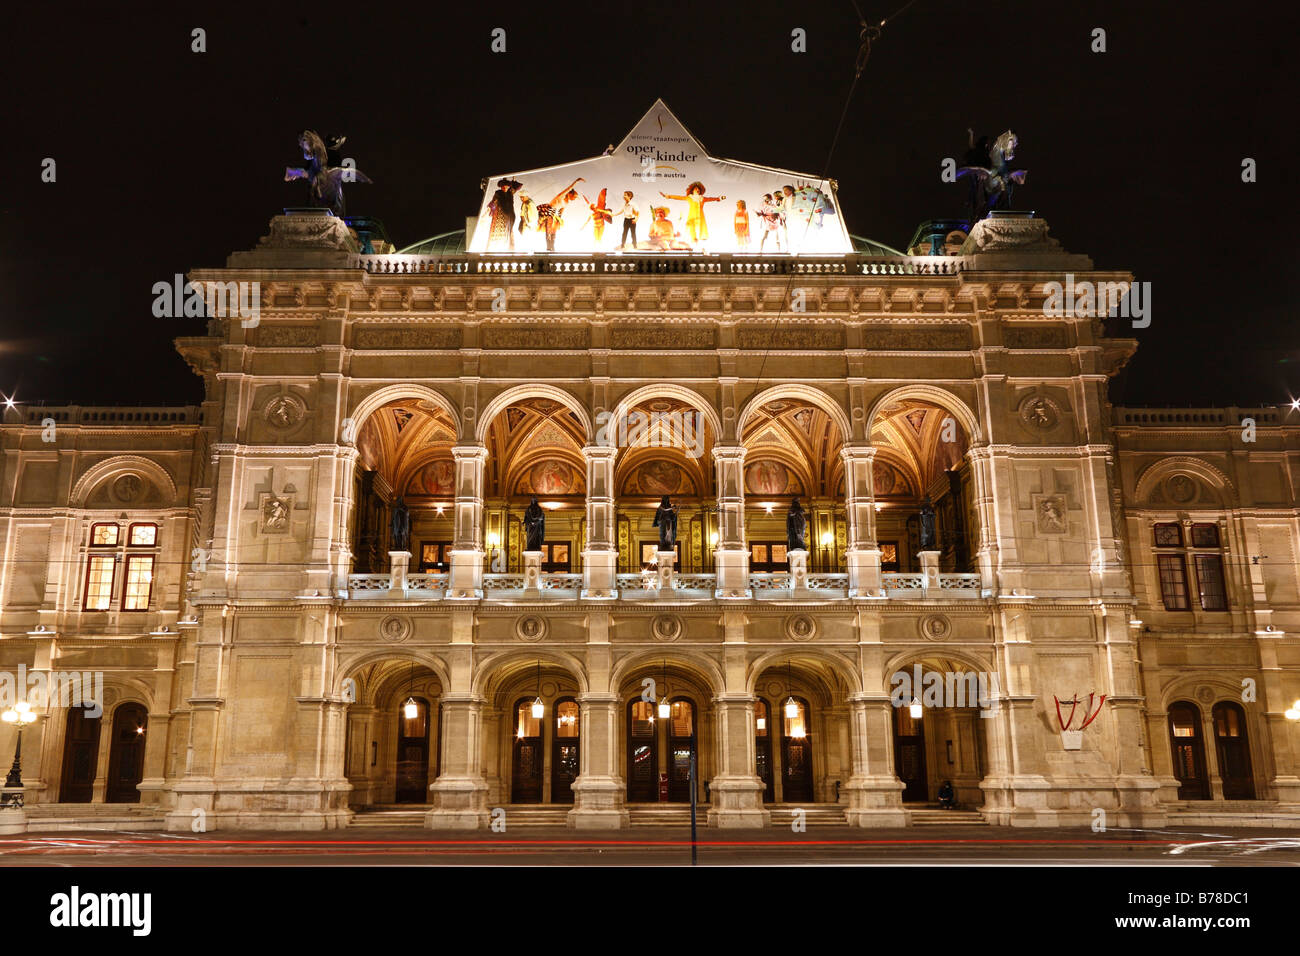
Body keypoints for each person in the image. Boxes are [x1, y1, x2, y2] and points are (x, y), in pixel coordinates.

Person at [659, 181, 725, 245]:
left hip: (700, 216)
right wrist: (667, 196)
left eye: (698, 189)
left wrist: (718, 198)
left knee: (699, 228)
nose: (697, 190)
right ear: (692, 190)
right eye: (696, 189)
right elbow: (678, 197)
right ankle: (693, 239)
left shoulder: (702, 198)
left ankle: (699, 242)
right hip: (692, 215)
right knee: (691, 227)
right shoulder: (690, 198)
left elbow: (711, 199)